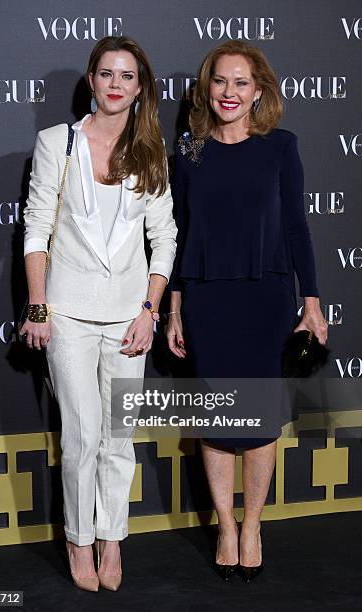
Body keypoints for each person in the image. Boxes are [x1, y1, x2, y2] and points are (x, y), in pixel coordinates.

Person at [167, 40, 327, 582]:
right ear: (205, 88)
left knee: (258, 419)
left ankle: (253, 524)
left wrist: (312, 301)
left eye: (241, 83)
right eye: (220, 81)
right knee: (217, 418)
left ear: (259, 91)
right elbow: (180, 233)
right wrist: (175, 306)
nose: (229, 93)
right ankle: (225, 525)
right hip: (208, 296)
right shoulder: (188, 152)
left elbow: (298, 228)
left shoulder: (281, 147)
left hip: (266, 295)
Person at [21, 36, 177, 592]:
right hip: (67, 314)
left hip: (129, 318)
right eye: (107, 73)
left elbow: (165, 238)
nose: (116, 84)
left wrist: (149, 310)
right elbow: (37, 229)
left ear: (141, 87)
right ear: (91, 81)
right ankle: (78, 538)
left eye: (127, 76)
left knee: (119, 435)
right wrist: (38, 305)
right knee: (82, 435)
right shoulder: (56, 144)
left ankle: (113, 537)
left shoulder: (152, 150)